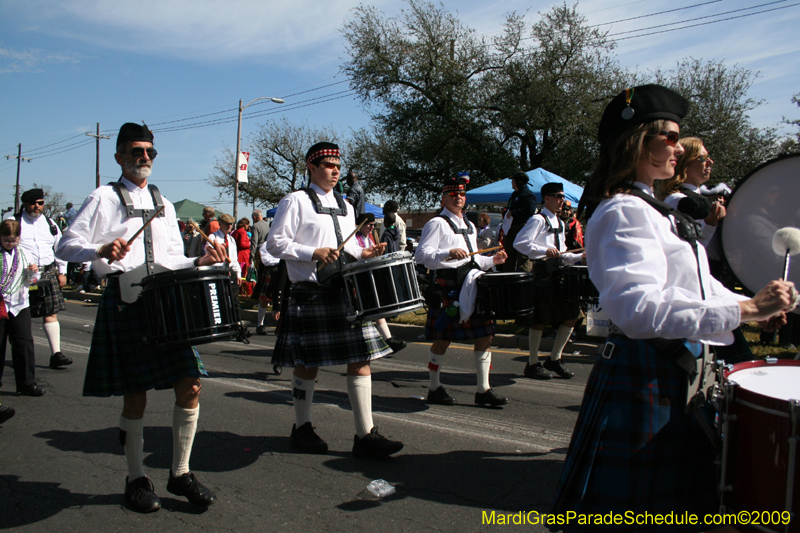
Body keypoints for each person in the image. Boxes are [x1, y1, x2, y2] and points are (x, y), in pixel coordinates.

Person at [551, 84, 797, 529]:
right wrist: (745, 312)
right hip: (649, 369)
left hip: (673, 373)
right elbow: (637, 309)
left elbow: (696, 287)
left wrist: (752, 303)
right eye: (668, 135)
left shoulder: (654, 209)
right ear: (636, 142)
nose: (679, 146)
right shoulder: (623, 210)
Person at [56, 122, 226, 514]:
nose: (144, 158)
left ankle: (180, 473)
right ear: (119, 156)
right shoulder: (102, 197)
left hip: (166, 302)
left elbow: (172, 258)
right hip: (125, 300)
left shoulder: (163, 203)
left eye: (149, 152)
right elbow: (66, 245)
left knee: (191, 384)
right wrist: (99, 248)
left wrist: (200, 260)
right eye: (136, 151)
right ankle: (135, 479)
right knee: (136, 394)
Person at [266, 141, 403, 457]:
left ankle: (365, 435)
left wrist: (363, 251)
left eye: (338, 165)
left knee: (361, 358)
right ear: (311, 168)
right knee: (307, 364)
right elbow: (274, 245)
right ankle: (302, 427)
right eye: (328, 165)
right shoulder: (295, 201)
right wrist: (311, 252)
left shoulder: (346, 204)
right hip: (310, 292)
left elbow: (348, 246)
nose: (335, 170)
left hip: (344, 290)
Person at [414, 174, 509, 407]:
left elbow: (473, 260)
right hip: (448, 285)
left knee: (486, 334)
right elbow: (421, 256)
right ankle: (434, 387)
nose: (459, 198)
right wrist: (447, 253)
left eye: (462, 195)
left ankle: (483, 390)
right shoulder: (437, 223)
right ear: (443, 198)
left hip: (470, 282)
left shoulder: (469, 225)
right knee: (443, 339)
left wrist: (493, 260)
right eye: (453, 194)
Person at [513, 182, 583, 380]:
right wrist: (545, 251)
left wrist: (579, 257)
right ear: (547, 198)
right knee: (540, 320)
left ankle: (555, 358)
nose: (561, 200)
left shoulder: (559, 222)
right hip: (542, 273)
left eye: (562, 196)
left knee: (573, 315)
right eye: (557, 196)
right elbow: (520, 243)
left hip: (559, 271)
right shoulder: (538, 219)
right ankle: (532, 362)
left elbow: (561, 254)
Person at [16, 188, 73, 370]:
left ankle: (56, 354)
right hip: (22, 275)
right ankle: (21, 355)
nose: (37, 206)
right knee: (18, 314)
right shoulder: (14, 223)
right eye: (33, 203)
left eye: (40, 203)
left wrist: (62, 271)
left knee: (50, 312)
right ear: (25, 204)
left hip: (47, 273)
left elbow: (60, 248)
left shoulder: (51, 224)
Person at [655, 137, 725, 250]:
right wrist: (709, 223)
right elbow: (689, 248)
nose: (710, 162)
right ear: (685, 164)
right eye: (703, 158)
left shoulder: (697, 197)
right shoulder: (676, 200)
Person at [0, 219, 42, 396]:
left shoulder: (25, 253)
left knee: (24, 343)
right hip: (1, 305)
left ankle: (27, 382)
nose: (10, 244)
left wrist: (34, 272)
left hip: (19, 304)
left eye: (13, 240)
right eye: (6, 240)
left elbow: (33, 283)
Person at [354, 212, 406, 354]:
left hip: (367, 278)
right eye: (369, 225)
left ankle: (388, 340)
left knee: (376, 309)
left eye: (373, 225)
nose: (372, 228)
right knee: (365, 312)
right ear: (359, 225)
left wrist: (379, 252)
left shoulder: (370, 238)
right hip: (356, 281)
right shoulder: (354, 239)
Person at [499, 171, 537, 272]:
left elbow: (530, 210)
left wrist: (514, 212)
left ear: (518, 182)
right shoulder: (515, 194)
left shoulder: (528, 194)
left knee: (523, 256)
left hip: (521, 227)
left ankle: (525, 279)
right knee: (508, 254)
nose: (511, 182)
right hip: (510, 227)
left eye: (513, 180)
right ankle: (507, 278)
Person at [249, 209, 272, 333]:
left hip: (262, 255)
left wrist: (252, 255)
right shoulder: (266, 225)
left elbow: (254, 242)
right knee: (265, 297)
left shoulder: (256, 226)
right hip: (267, 257)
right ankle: (260, 324)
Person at [208, 214, 242, 283]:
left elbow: (234, 259)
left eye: (231, 224)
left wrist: (238, 274)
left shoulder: (231, 239)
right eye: (227, 224)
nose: (229, 226)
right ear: (220, 224)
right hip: (218, 272)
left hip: (231, 272)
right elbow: (210, 257)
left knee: (233, 292)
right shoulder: (213, 237)